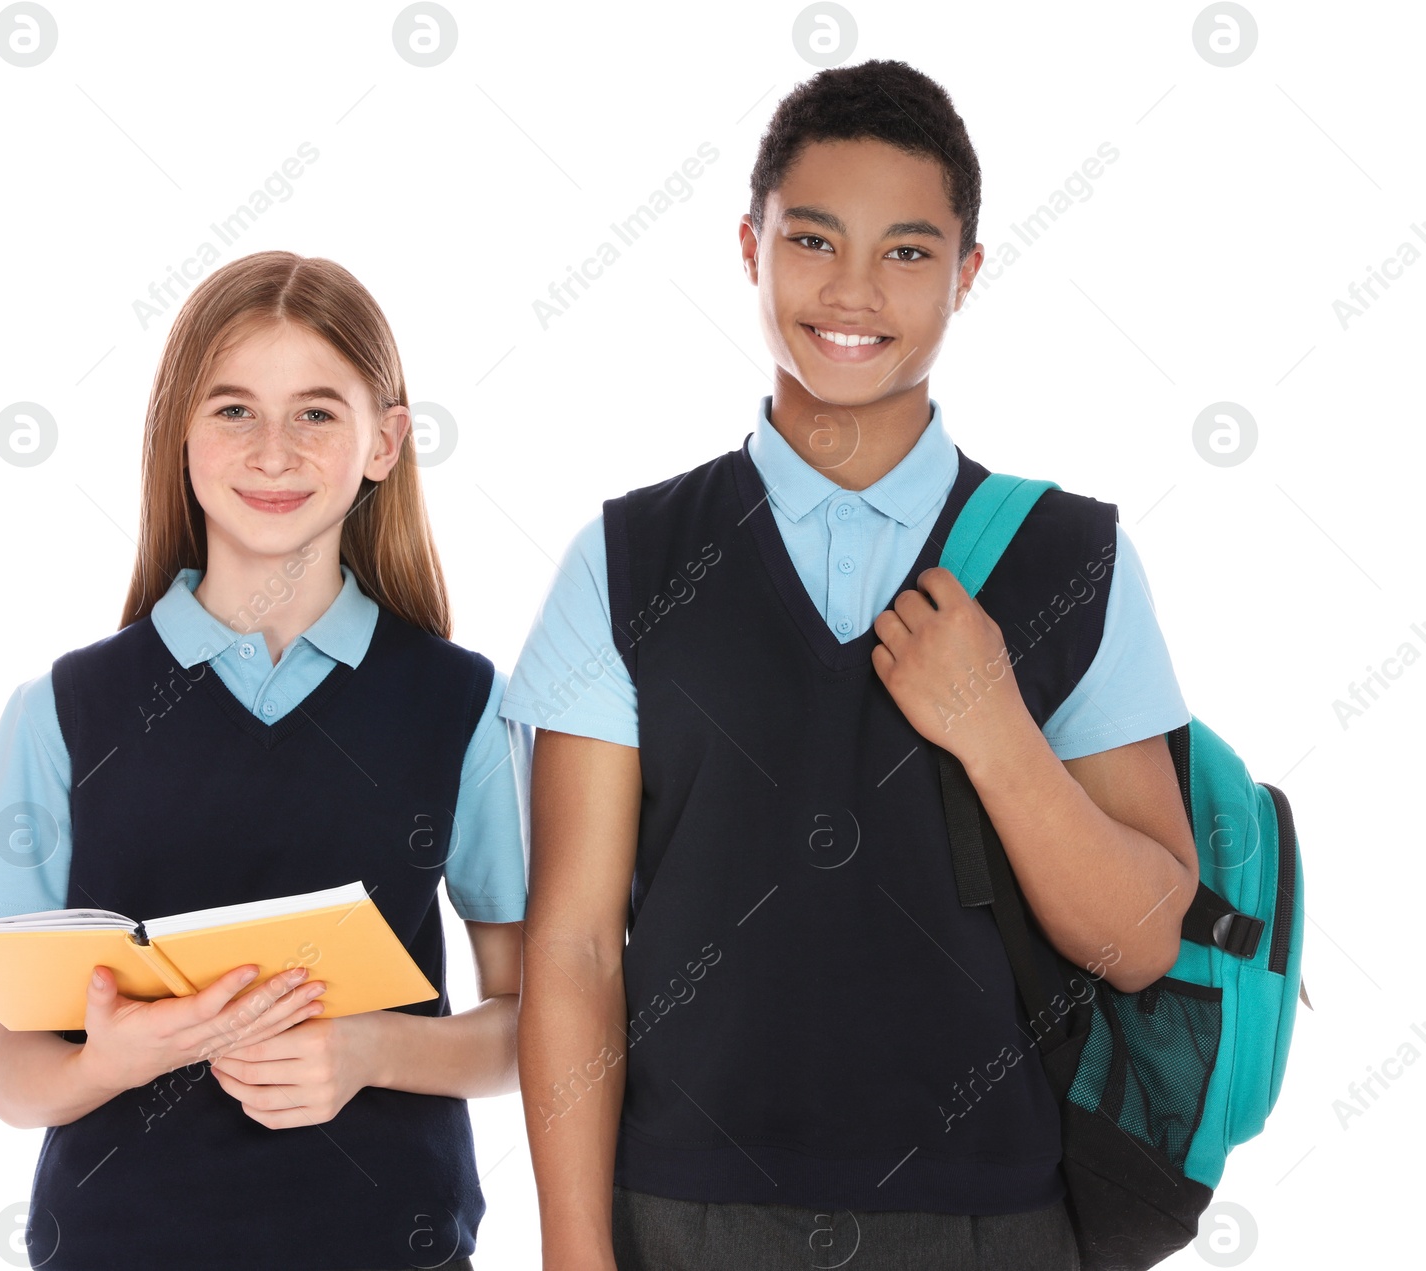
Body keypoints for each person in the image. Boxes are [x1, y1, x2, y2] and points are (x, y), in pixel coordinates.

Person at [506, 59, 1200, 1271]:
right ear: (749, 245)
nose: (853, 290)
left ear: (968, 274)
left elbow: (1140, 937)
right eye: (814, 240)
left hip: (993, 1218)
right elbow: (570, 948)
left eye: (909, 252)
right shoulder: (623, 559)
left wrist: (991, 727)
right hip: (681, 1210)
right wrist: (573, 1246)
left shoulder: (1072, 557)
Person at [0, 251, 528, 1271]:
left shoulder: (460, 704)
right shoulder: (64, 712)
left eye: (314, 413)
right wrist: (114, 1060)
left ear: (384, 441)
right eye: (232, 411)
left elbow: (536, 1021)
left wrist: (374, 1047)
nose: (271, 450)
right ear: (178, 431)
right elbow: (10, 1070)